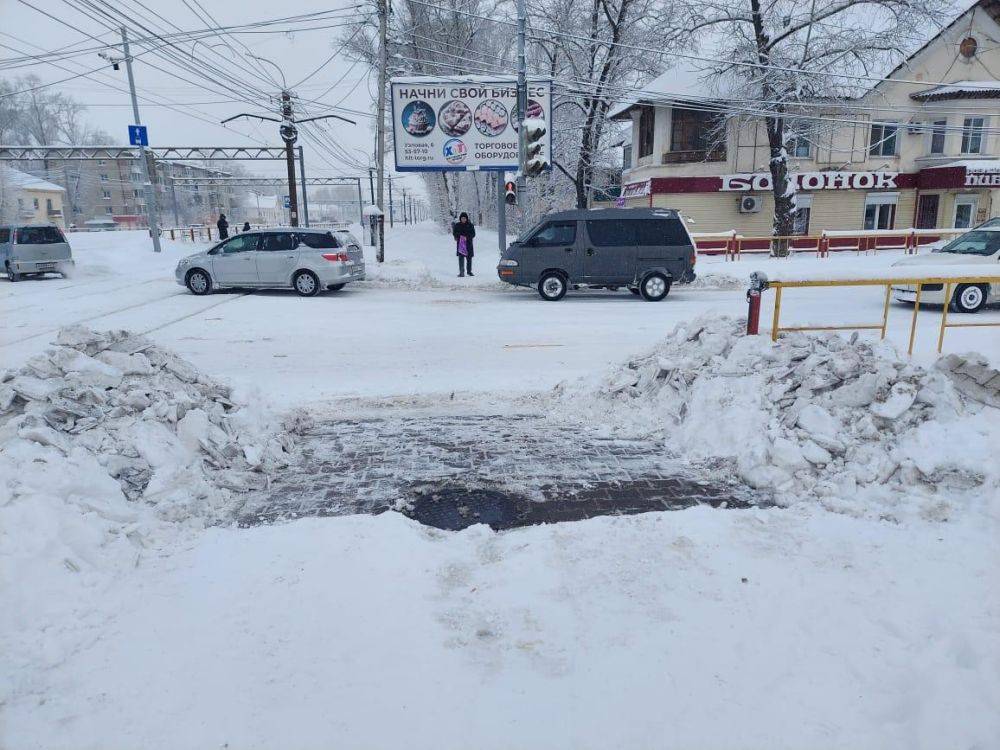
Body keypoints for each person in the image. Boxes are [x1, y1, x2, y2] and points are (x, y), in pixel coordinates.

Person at [452, 212, 475, 277]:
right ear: (460, 218)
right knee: (461, 258)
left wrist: (467, 237)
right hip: (461, 243)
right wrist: (460, 236)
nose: (463, 219)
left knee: (469, 258)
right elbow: (454, 233)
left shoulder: (470, 225)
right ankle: (461, 272)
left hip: (468, 243)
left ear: (466, 218)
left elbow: (473, 234)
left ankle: (469, 271)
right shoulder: (457, 225)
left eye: (464, 218)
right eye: (462, 218)